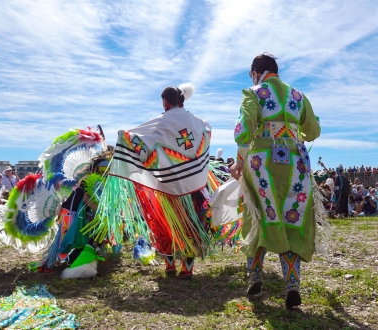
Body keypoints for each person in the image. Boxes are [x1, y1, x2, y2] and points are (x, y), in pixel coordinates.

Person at [88, 83, 212, 279]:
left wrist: (124, 135)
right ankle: (187, 268)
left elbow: (142, 143)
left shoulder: (161, 122)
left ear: (165, 102)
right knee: (191, 225)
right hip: (194, 186)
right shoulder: (198, 122)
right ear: (182, 101)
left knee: (165, 224)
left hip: (166, 187)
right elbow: (207, 130)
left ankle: (170, 265)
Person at [230, 53, 321, 307]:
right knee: (292, 217)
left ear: (256, 72)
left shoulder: (253, 93)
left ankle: (254, 278)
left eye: (252, 74)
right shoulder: (298, 96)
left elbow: (244, 130)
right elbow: (313, 131)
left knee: (258, 215)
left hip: (262, 164)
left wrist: (239, 160)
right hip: (296, 163)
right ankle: (292, 283)